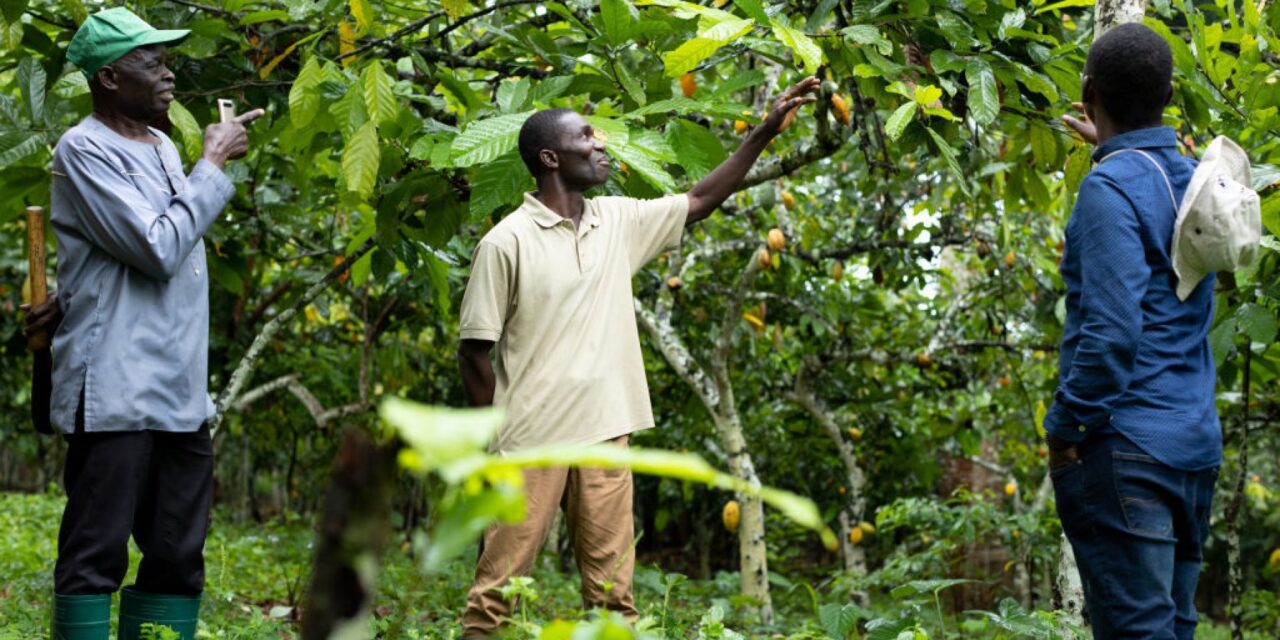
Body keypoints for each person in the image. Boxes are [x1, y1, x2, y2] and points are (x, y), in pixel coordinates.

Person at [456, 77, 820, 637]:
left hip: (607, 434)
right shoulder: (506, 242)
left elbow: (699, 200)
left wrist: (764, 132)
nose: (602, 145)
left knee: (612, 597)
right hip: (529, 442)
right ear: (551, 157)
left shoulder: (617, 221)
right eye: (587, 137)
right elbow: (474, 351)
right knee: (495, 594)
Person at [41, 8, 262, 639]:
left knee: (176, 556)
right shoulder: (82, 147)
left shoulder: (162, 144)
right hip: (115, 385)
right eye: (153, 63)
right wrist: (213, 163)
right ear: (109, 78)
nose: (169, 75)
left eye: (167, 61)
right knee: (95, 555)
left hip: (179, 388)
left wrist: (200, 166)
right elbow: (158, 247)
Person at [1049, 23, 1220, 640]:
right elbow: (1157, 177)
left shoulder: (1108, 189)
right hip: (1192, 448)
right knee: (1173, 626)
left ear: (1088, 89)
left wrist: (1064, 429)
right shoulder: (1198, 181)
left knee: (1138, 631)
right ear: (1169, 95)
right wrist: (1116, 145)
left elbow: (1113, 333)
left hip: (1127, 450)